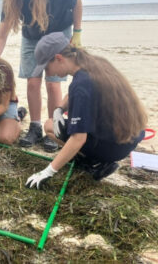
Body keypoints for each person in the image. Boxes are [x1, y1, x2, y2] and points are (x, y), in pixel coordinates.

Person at [26, 32, 147, 189]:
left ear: (59, 58)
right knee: (55, 121)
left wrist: (47, 172)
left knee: (49, 127)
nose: (48, 73)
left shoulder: (81, 85)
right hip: (129, 136)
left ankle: (97, 164)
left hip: (115, 146)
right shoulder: (93, 63)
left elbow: (78, 138)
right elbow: (72, 95)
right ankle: (95, 159)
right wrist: (59, 109)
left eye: (47, 67)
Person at [0, 0, 83, 152]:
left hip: (59, 34)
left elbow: (77, 2)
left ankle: (53, 127)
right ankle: (35, 126)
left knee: (53, 82)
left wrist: (78, 32)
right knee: (33, 82)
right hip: (31, 37)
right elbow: (1, 35)